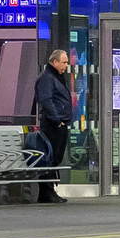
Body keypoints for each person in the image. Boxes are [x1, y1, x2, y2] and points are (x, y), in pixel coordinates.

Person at [33, 49, 75, 203]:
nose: (66, 65)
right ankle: (46, 192)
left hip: (58, 123)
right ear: (55, 62)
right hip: (52, 125)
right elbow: (46, 100)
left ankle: (49, 191)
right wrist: (57, 120)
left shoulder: (54, 77)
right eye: (64, 62)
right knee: (49, 157)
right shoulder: (47, 78)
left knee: (55, 158)